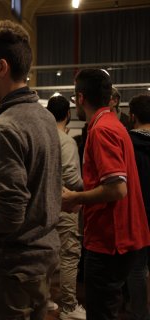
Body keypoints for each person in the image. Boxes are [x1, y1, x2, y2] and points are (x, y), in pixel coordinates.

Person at [0, 20, 62, 319]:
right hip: (44, 257)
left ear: (2, 67)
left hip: (11, 268)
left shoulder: (5, 126)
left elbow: (9, 214)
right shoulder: (43, 117)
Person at [62, 69, 150, 320]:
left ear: (80, 98)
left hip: (110, 240)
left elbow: (116, 188)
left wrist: (76, 198)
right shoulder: (114, 124)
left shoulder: (101, 129)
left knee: (102, 311)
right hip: (119, 236)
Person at [47, 95, 86, 320]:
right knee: (69, 254)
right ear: (68, 115)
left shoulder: (41, 137)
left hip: (42, 207)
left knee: (46, 255)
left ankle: (45, 299)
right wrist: (89, 187)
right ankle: (69, 307)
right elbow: (71, 176)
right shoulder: (66, 141)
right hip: (64, 204)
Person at [126, 93, 150, 320]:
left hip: (137, 214)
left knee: (137, 268)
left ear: (132, 115)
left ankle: (140, 313)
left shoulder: (127, 144)